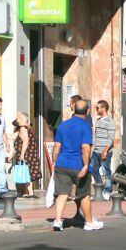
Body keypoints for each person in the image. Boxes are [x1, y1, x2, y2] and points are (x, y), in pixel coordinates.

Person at [50, 99, 101, 231]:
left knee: (62, 193)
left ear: (73, 109)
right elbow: (85, 148)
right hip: (78, 165)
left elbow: (56, 147)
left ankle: (57, 221)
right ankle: (89, 222)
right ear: (87, 110)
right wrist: (85, 165)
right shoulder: (85, 127)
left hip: (62, 164)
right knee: (83, 194)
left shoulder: (63, 125)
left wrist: (54, 162)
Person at [11, 112, 40, 198]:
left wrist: (22, 154)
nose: (16, 120)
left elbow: (25, 141)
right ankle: (29, 192)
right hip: (31, 154)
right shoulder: (25, 128)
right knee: (28, 173)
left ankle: (27, 192)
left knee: (26, 173)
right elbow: (13, 137)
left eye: (18, 118)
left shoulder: (23, 128)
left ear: (23, 120)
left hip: (27, 155)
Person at [91, 100, 116, 200]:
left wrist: (105, 151)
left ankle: (107, 191)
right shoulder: (98, 120)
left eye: (98, 108)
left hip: (105, 151)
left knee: (106, 172)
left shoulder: (110, 121)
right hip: (96, 150)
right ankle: (99, 189)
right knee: (92, 168)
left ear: (104, 108)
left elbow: (111, 138)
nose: (96, 110)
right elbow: (95, 136)